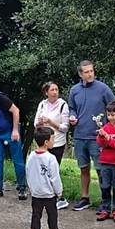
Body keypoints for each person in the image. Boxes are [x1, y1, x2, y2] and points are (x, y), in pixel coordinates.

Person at [68, 60, 115, 211]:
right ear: (80, 74)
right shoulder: (74, 90)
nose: (90, 74)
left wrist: (110, 127)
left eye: (91, 71)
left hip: (97, 137)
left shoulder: (103, 88)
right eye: (86, 72)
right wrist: (72, 116)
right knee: (83, 168)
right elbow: (71, 108)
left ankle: (105, 201)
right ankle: (85, 198)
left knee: (101, 170)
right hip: (80, 135)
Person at [33, 81, 71, 209]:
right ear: (46, 92)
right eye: (52, 90)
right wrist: (40, 123)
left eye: (56, 89)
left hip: (57, 142)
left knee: (53, 170)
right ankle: (46, 195)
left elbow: (65, 127)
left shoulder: (63, 105)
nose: (55, 92)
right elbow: (35, 124)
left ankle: (59, 197)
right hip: (43, 142)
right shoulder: (42, 104)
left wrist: (50, 122)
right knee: (43, 170)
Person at [25, 126, 62, 229]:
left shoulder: (31, 156)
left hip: (36, 193)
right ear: (46, 142)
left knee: (36, 215)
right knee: (52, 215)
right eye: (53, 139)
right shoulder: (51, 158)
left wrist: (31, 188)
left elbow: (28, 173)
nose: (54, 141)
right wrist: (59, 191)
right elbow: (55, 178)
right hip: (50, 194)